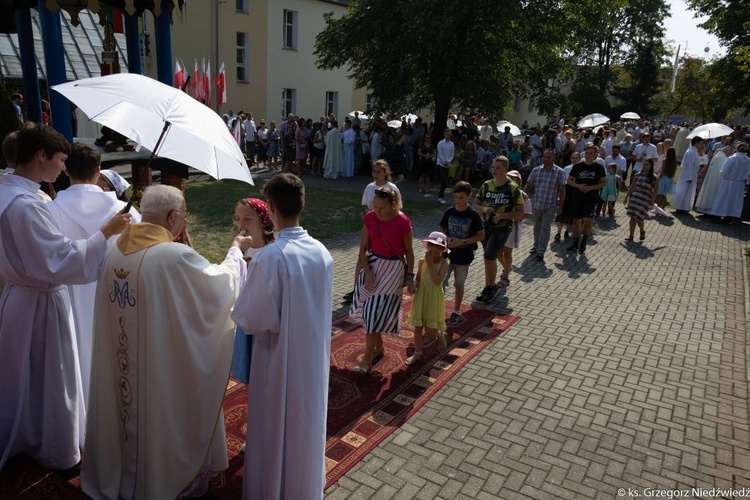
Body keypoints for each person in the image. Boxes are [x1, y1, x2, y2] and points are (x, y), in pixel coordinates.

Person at [81, 185, 246, 499]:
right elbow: (219, 289)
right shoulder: (173, 255)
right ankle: (158, 480)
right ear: (173, 218)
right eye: (183, 217)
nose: (183, 223)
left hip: (124, 363)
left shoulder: (116, 248)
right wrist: (235, 252)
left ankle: (117, 476)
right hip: (155, 372)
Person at [0, 123, 131, 472]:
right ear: (40, 155)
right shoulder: (26, 205)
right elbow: (60, 261)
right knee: (54, 377)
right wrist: (106, 231)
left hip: (19, 297)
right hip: (40, 300)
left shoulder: (12, 193)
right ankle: (56, 449)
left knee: (24, 377)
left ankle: (28, 433)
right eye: (59, 159)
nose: (62, 167)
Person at [232, 174, 334, 500]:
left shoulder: (273, 257)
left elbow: (252, 319)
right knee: (305, 425)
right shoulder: (322, 251)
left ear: (271, 207)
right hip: (312, 357)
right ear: (302, 204)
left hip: (279, 360)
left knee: (275, 426)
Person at [46, 143, 141, 409]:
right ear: (98, 171)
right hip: (118, 294)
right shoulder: (127, 212)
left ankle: (83, 410)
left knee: (79, 353)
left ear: (66, 170)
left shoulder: (50, 211)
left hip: (70, 295)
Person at [350, 186, 415, 373]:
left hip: (393, 269)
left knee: (373, 311)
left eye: (382, 208)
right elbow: (362, 248)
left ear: (394, 204)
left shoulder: (403, 221)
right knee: (369, 312)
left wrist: (410, 276)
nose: (377, 211)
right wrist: (367, 271)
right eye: (375, 207)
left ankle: (367, 360)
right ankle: (378, 348)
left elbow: (409, 252)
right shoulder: (370, 217)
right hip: (373, 265)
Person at [230, 197, 275, 385]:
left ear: (263, 221)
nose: (241, 224)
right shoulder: (240, 250)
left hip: (264, 320)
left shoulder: (272, 251)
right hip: (245, 315)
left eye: (248, 219)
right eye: (237, 218)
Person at [472, 156, 524, 302]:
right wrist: (484, 209)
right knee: (488, 258)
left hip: (502, 228)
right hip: (486, 226)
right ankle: (488, 286)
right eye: (493, 167)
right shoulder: (487, 185)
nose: (494, 170)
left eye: (498, 167)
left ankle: (490, 287)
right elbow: (475, 204)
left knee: (490, 256)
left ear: (506, 169)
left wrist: (502, 215)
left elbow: (520, 212)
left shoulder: (513, 188)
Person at [439, 181, 484, 326]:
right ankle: (439, 308)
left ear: (469, 197)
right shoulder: (449, 211)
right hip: (447, 254)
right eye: (456, 197)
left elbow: (481, 236)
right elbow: (441, 227)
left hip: (464, 256)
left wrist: (462, 241)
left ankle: (456, 311)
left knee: (459, 284)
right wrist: (446, 237)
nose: (458, 201)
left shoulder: (473, 215)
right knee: (441, 282)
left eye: (461, 198)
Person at [406, 231, 450, 365]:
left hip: (433, 297)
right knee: (418, 326)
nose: (433, 255)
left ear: (442, 251)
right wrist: (414, 286)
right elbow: (419, 278)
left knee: (430, 328)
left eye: (437, 252)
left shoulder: (444, 263)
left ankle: (440, 336)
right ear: (427, 248)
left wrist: (430, 263)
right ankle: (417, 352)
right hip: (421, 296)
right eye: (431, 251)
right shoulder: (421, 261)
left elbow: (437, 281)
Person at [524, 150, 566, 262]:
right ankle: (536, 245)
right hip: (537, 203)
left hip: (550, 204)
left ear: (553, 158)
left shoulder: (559, 172)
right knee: (537, 227)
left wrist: (560, 205)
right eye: (545, 157)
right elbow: (528, 185)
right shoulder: (536, 170)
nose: (546, 159)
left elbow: (562, 190)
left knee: (545, 228)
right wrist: (524, 199)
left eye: (549, 157)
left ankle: (541, 251)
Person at [566, 143, 606, 254]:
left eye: (591, 154)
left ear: (595, 155)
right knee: (576, 221)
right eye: (586, 153)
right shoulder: (578, 166)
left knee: (588, 221)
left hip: (591, 197)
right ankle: (575, 244)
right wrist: (579, 186)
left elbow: (603, 182)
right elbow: (569, 180)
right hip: (578, 196)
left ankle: (584, 241)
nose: (588, 156)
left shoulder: (599, 167)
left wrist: (591, 188)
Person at [707, 142, 750, 221]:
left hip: (728, 182)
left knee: (723, 199)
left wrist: (725, 176)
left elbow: (724, 171)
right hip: (739, 184)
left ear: (736, 149)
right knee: (734, 201)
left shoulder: (732, 158)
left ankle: (717, 216)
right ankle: (729, 217)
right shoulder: (748, 160)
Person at [623, 158, 658, 241]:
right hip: (635, 198)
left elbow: (655, 191)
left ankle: (642, 231)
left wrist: (652, 201)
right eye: (644, 164)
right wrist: (626, 197)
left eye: (647, 165)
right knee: (632, 217)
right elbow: (632, 187)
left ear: (651, 166)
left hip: (645, 200)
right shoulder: (637, 175)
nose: (644, 166)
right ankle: (631, 236)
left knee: (639, 217)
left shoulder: (654, 178)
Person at [673, 136, 705, 213]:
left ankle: (684, 207)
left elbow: (695, 163)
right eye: (701, 143)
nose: (702, 145)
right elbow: (689, 166)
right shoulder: (691, 152)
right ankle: (681, 207)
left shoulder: (693, 151)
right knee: (685, 191)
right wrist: (689, 177)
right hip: (689, 175)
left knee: (688, 192)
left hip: (691, 174)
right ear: (696, 143)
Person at [696, 143, 731, 214]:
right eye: (730, 152)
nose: (730, 154)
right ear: (727, 151)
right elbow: (723, 171)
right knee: (713, 195)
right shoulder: (723, 158)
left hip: (711, 179)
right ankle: (709, 211)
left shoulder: (718, 155)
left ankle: (703, 209)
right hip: (717, 180)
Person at [436, 128, 455, 204]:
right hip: (440, 164)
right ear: (444, 134)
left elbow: (452, 154)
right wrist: (444, 162)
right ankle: (440, 197)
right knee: (444, 181)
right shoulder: (440, 143)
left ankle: (441, 196)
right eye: (446, 134)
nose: (448, 136)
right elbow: (440, 154)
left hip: (447, 164)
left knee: (445, 182)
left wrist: (449, 161)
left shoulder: (452, 144)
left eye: (449, 134)